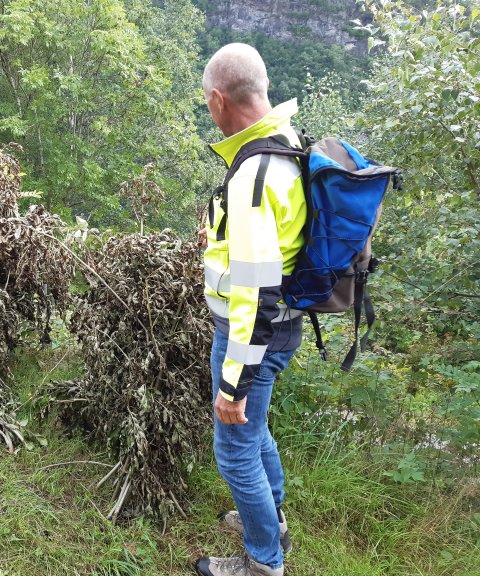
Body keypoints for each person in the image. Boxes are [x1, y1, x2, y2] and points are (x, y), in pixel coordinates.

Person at [196, 43, 306, 576]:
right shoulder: (285, 142)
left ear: (219, 99)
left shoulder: (254, 175)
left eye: (206, 104)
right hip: (282, 326)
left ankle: (264, 561)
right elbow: (269, 244)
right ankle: (273, 519)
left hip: (255, 333)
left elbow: (257, 290)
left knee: (234, 448)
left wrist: (233, 380)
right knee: (255, 431)